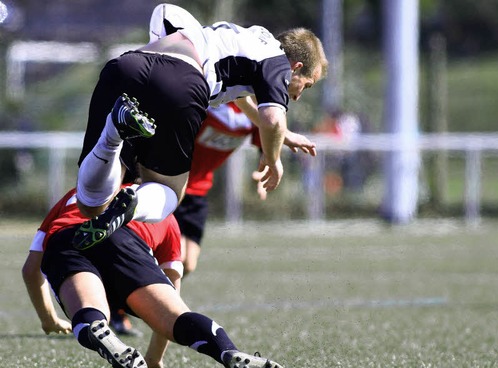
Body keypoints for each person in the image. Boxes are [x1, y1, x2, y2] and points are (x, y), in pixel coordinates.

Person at [73, 3, 328, 250]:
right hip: (180, 81)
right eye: (306, 85)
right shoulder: (277, 60)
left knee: (91, 204)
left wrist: (285, 135)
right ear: (295, 68)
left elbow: (164, 12)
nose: (298, 96)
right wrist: (273, 160)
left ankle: (112, 134)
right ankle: (133, 205)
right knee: (171, 191)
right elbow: (273, 119)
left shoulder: (249, 40)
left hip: (127, 65)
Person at [26, 185, 284, 368]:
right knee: (177, 318)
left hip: (69, 239)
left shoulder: (76, 194)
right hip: (125, 240)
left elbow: (30, 270)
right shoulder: (163, 212)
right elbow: (174, 292)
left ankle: (96, 327)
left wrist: (49, 320)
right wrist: (154, 359)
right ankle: (228, 351)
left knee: (91, 314)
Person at [176, 101, 317, 276]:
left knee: (188, 263)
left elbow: (265, 148)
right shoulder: (214, 100)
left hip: (199, 190)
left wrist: (264, 175)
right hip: (175, 183)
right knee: (176, 257)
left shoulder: (257, 115)